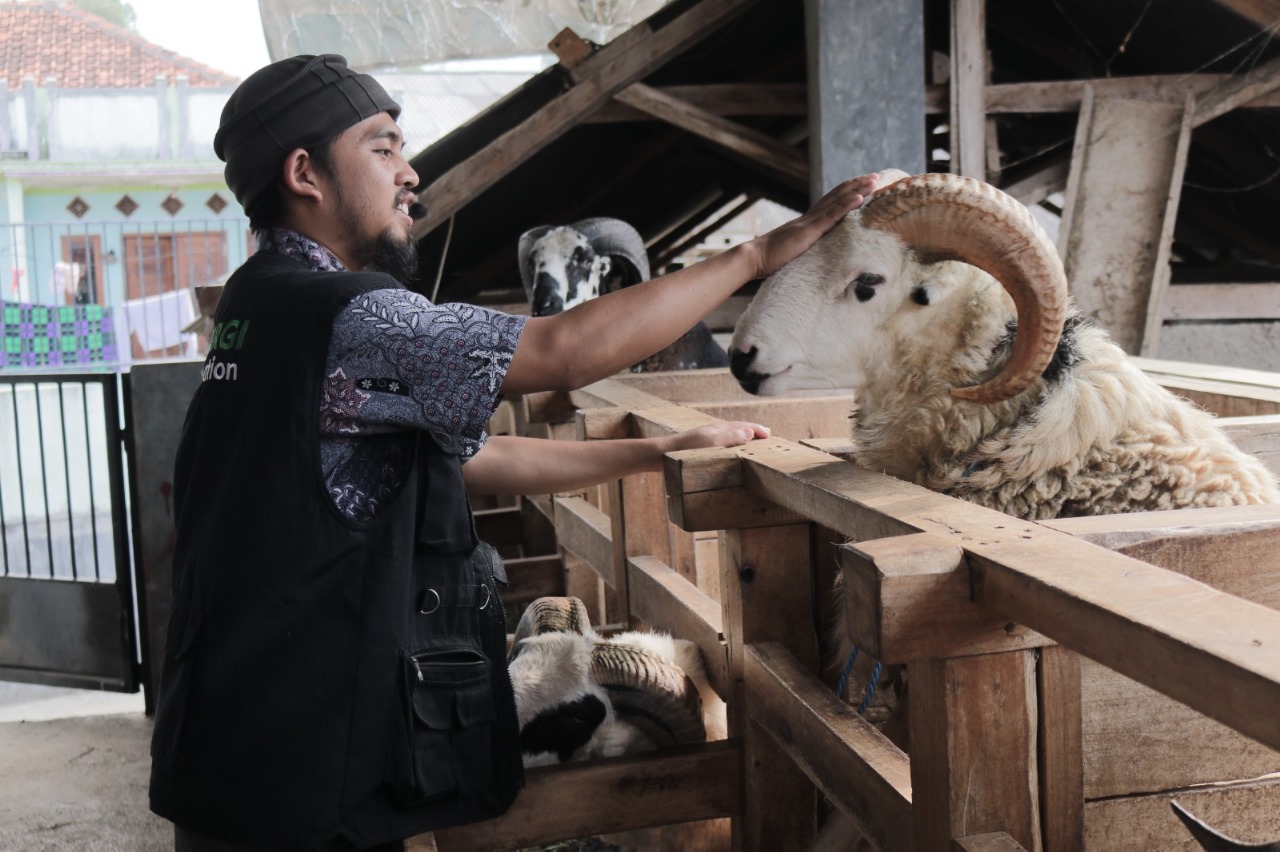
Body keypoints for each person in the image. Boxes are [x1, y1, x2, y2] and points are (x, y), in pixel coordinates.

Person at [148, 53, 878, 852]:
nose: (411, 173)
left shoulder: (253, 304)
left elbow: (465, 460)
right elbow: (563, 350)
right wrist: (759, 255)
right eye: (384, 147)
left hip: (238, 737)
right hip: (303, 764)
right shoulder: (350, 318)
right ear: (305, 173)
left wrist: (659, 449)